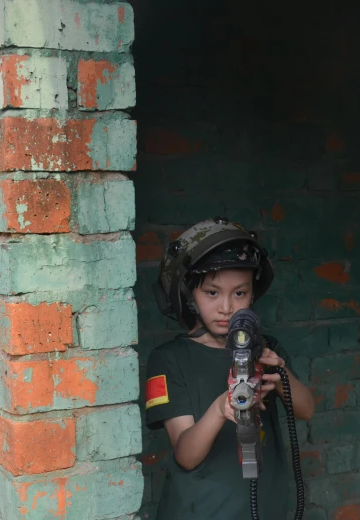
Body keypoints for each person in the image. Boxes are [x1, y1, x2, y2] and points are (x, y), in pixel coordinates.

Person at [145, 217, 315, 519]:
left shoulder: (266, 349)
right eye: (212, 293)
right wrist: (220, 409)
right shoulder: (168, 360)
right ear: (189, 297)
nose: (226, 307)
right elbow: (185, 455)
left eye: (240, 293)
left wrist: (279, 375)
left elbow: (306, 410)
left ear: (252, 295)